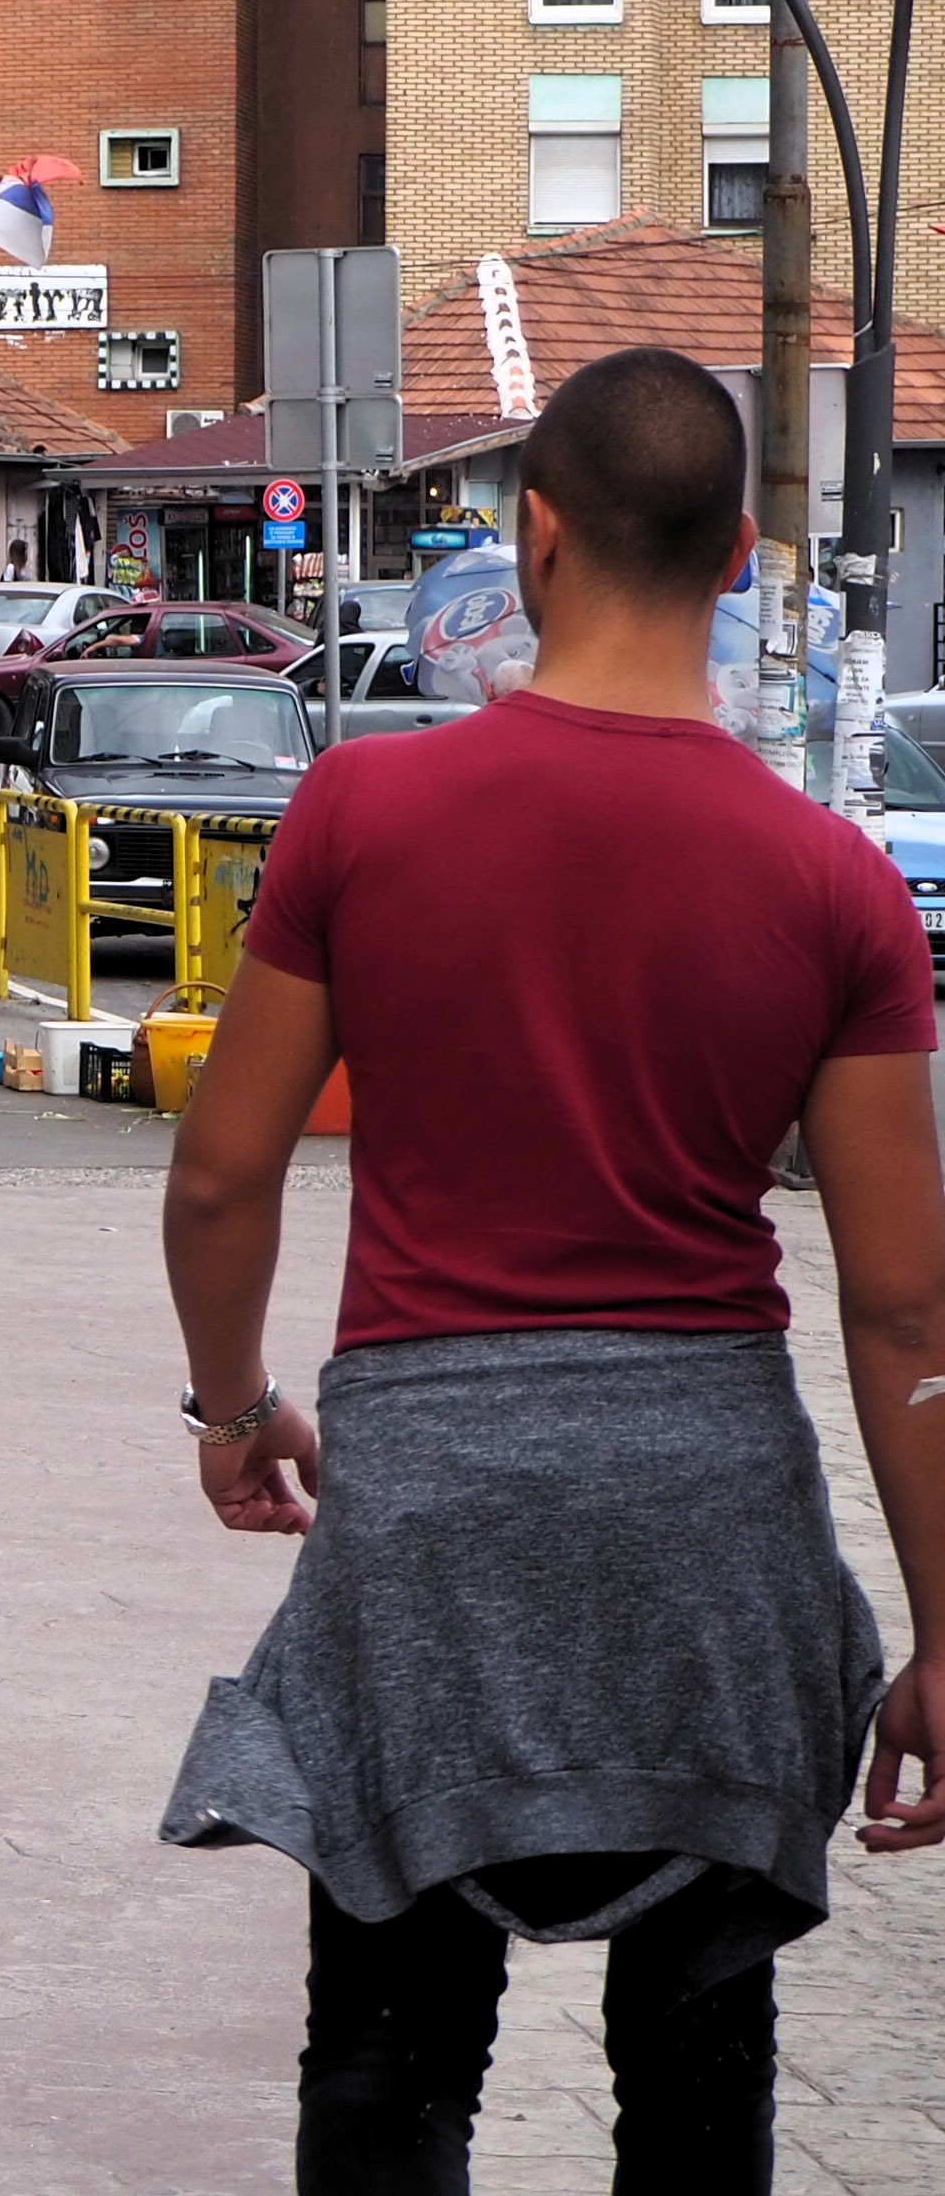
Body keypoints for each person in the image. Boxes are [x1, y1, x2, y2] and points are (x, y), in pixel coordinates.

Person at [158, 346, 945, 2191]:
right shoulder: (830, 884)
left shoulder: (361, 817)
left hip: (425, 1507)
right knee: (696, 2071)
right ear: (740, 554)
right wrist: (937, 1626)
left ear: (530, 537)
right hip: (709, 1520)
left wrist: (233, 1404)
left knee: (384, 2054)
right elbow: (902, 1305)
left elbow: (219, 1175)